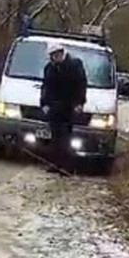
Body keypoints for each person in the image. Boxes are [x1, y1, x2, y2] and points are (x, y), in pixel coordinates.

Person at [40, 41, 87, 175]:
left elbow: (81, 84)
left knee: (66, 137)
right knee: (55, 137)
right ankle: (55, 164)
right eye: (53, 55)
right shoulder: (49, 68)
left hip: (69, 106)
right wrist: (44, 103)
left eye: (58, 54)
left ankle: (67, 167)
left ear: (62, 52)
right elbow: (46, 87)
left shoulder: (74, 65)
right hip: (54, 107)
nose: (56, 57)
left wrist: (80, 103)